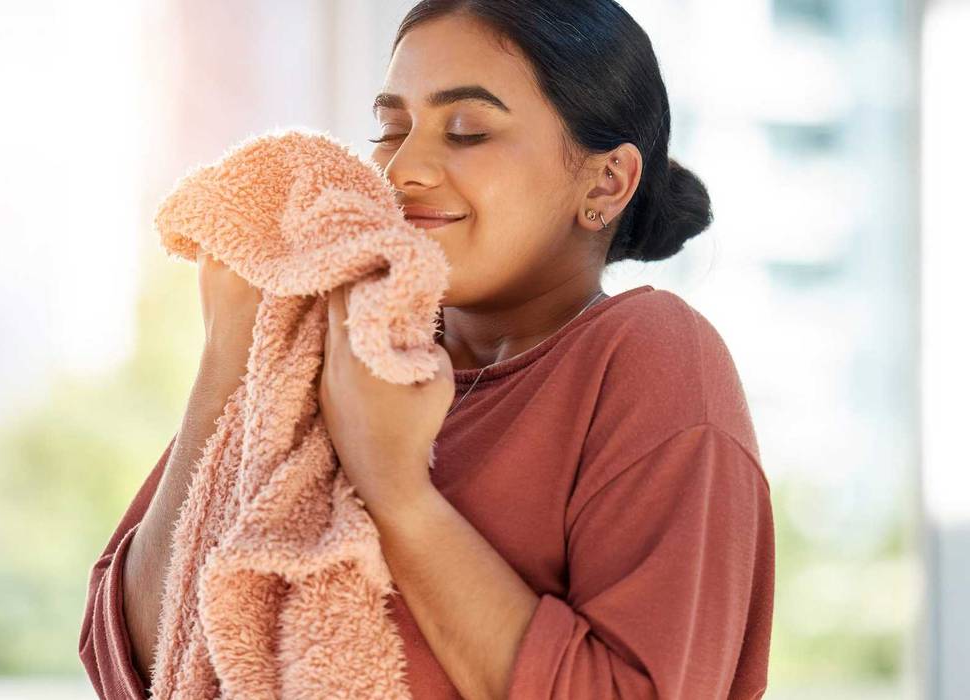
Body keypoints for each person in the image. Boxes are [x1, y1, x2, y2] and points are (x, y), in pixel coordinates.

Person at [80, 2, 774, 699]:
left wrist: (398, 493)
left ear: (604, 183)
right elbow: (136, 665)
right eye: (391, 129)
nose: (403, 168)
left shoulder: (650, 355)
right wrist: (227, 363)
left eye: (466, 131)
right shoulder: (333, 340)